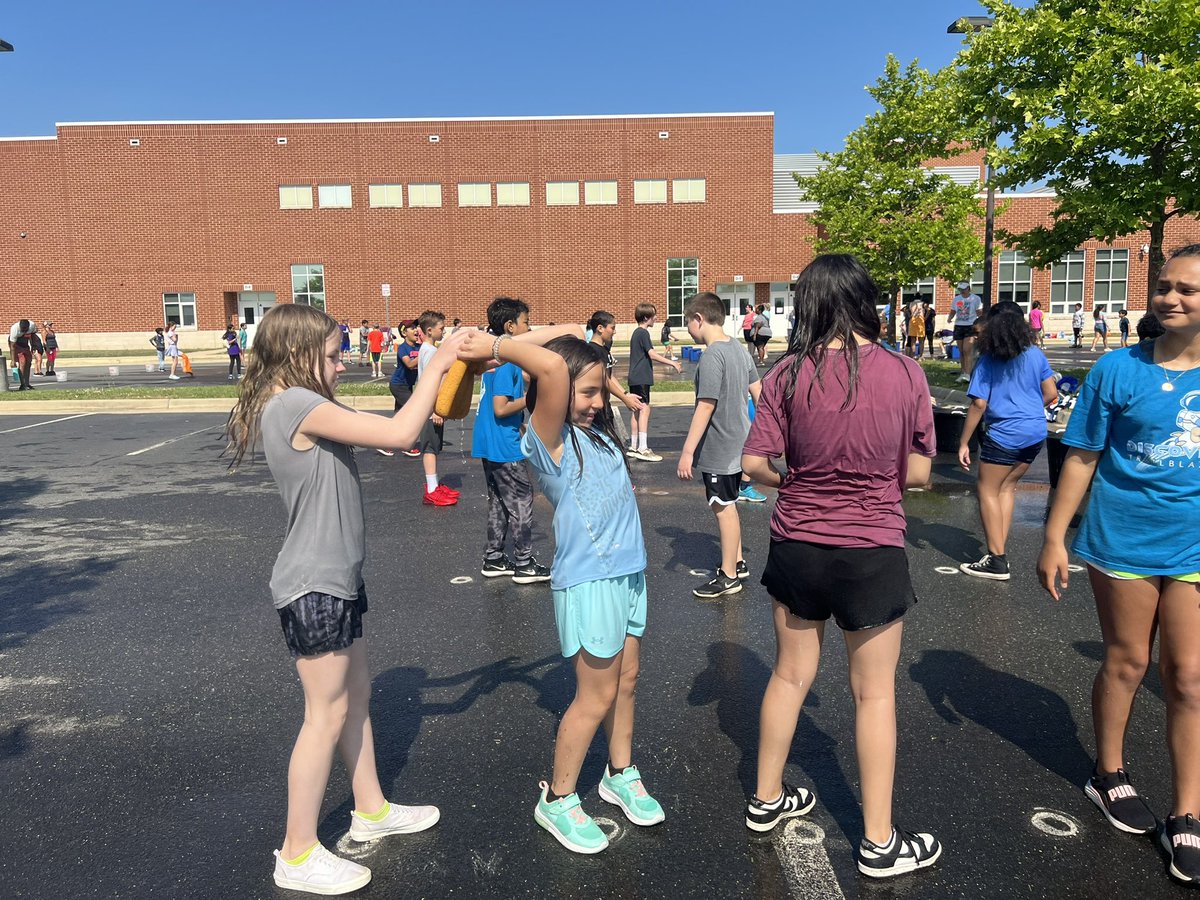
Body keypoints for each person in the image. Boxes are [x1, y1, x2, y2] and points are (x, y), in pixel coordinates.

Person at [223, 303, 469, 896]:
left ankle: (372, 810)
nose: (341, 365)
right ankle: (297, 851)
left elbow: (385, 434)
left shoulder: (307, 406)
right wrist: (435, 365)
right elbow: (401, 433)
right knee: (325, 715)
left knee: (355, 699)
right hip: (314, 584)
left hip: (336, 579)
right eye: (332, 356)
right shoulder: (296, 404)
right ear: (298, 353)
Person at [740, 254, 940, 880]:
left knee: (790, 675)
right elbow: (919, 473)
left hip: (797, 542)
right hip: (871, 546)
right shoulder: (906, 373)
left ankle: (766, 800)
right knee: (873, 692)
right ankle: (878, 842)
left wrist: (796, 478)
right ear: (864, 302)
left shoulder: (786, 374)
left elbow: (755, 465)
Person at [456, 325, 665, 855]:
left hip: (628, 574)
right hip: (590, 582)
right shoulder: (545, 439)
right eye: (588, 391)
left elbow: (578, 379)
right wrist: (496, 345)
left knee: (628, 680)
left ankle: (619, 773)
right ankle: (559, 799)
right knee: (593, 697)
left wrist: (601, 375)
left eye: (601, 390)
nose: (597, 402)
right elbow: (549, 368)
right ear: (556, 391)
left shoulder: (595, 433)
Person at [1037, 243, 1200, 886]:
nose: (1169, 297)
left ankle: (1188, 810)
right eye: (1163, 285)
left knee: (1188, 677)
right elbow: (1080, 457)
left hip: (1195, 547)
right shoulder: (1116, 370)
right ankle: (1109, 772)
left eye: (1187, 288)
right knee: (1128, 661)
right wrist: (1053, 537)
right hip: (1124, 542)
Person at [956, 302, 1057, 580]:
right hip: (1035, 431)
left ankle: (997, 559)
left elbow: (978, 403)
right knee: (1008, 488)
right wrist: (1030, 409)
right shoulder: (1035, 354)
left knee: (987, 490)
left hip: (1004, 432)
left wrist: (964, 442)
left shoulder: (987, 360)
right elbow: (1051, 393)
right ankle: (997, 550)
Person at [676, 292, 762, 598]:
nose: (688, 329)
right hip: (739, 443)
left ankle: (728, 577)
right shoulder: (738, 349)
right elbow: (758, 392)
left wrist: (687, 451)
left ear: (698, 319)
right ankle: (737, 563)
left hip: (720, 447)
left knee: (722, 508)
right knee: (729, 505)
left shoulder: (713, 354)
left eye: (687, 322)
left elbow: (706, 405)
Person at [472, 297, 552, 584]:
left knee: (498, 501)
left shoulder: (494, 360)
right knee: (521, 501)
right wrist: (530, 400)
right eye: (526, 322)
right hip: (504, 445)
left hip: (489, 441)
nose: (529, 328)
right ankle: (524, 562)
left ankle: (494, 558)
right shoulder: (507, 363)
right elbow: (501, 407)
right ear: (510, 326)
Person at [626, 303, 682, 462]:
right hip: (641, 377)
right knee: (644, 409)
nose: (656, 318)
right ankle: (643, 448)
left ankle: (634, 446)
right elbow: (652, 354)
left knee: (636, 410)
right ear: (646, 318)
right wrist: (672, 363)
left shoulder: (637, 333)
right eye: (654, 315)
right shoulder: (643, 333)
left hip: (635, 377)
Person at [416, 311, 460, 506]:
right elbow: (433, 381)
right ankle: (432, 489)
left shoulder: (427, 350)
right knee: (430, 448)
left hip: (427, 406)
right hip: (428, 408)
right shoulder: (431, 352)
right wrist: (436, 409)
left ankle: (434, 486)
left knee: (434, 446)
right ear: (430, 330)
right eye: (441, 329)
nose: (444, 331)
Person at [586, 310, 643, 447]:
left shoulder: (604, 349)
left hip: (605, 406)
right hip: (595, 408)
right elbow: (603, 379)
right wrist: (625, 399)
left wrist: (625, 393)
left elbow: (610, 375)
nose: (614, 332)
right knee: (603, 447)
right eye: (612, 328)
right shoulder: (593, 350)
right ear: (600, 328)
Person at [950, 281, 983, 382]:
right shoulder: (957, 299)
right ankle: (963, 372)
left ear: (969, 288)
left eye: (964, 289)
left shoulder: (976, 299)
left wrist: (981, 321)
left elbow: (979, 312)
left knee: (967, 350)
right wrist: (949, 318)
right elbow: (953, 310)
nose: (962, 291)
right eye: (960, 289)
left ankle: (968, 374)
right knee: (961, 351)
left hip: (970, 325)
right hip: (959, 325)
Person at [8, 319, 36, 390]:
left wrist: (33, 346)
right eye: (22, 329)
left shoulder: (32, 325)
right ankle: (23, 384)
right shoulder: (15, 329)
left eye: (25, 329)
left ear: (28, 327)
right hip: (16, 345)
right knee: (22, 362)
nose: (23, 330)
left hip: (25, 344)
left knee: (28, 363)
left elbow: (33, 336)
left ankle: (27, 383)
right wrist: (13, 360)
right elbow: (12, 346)